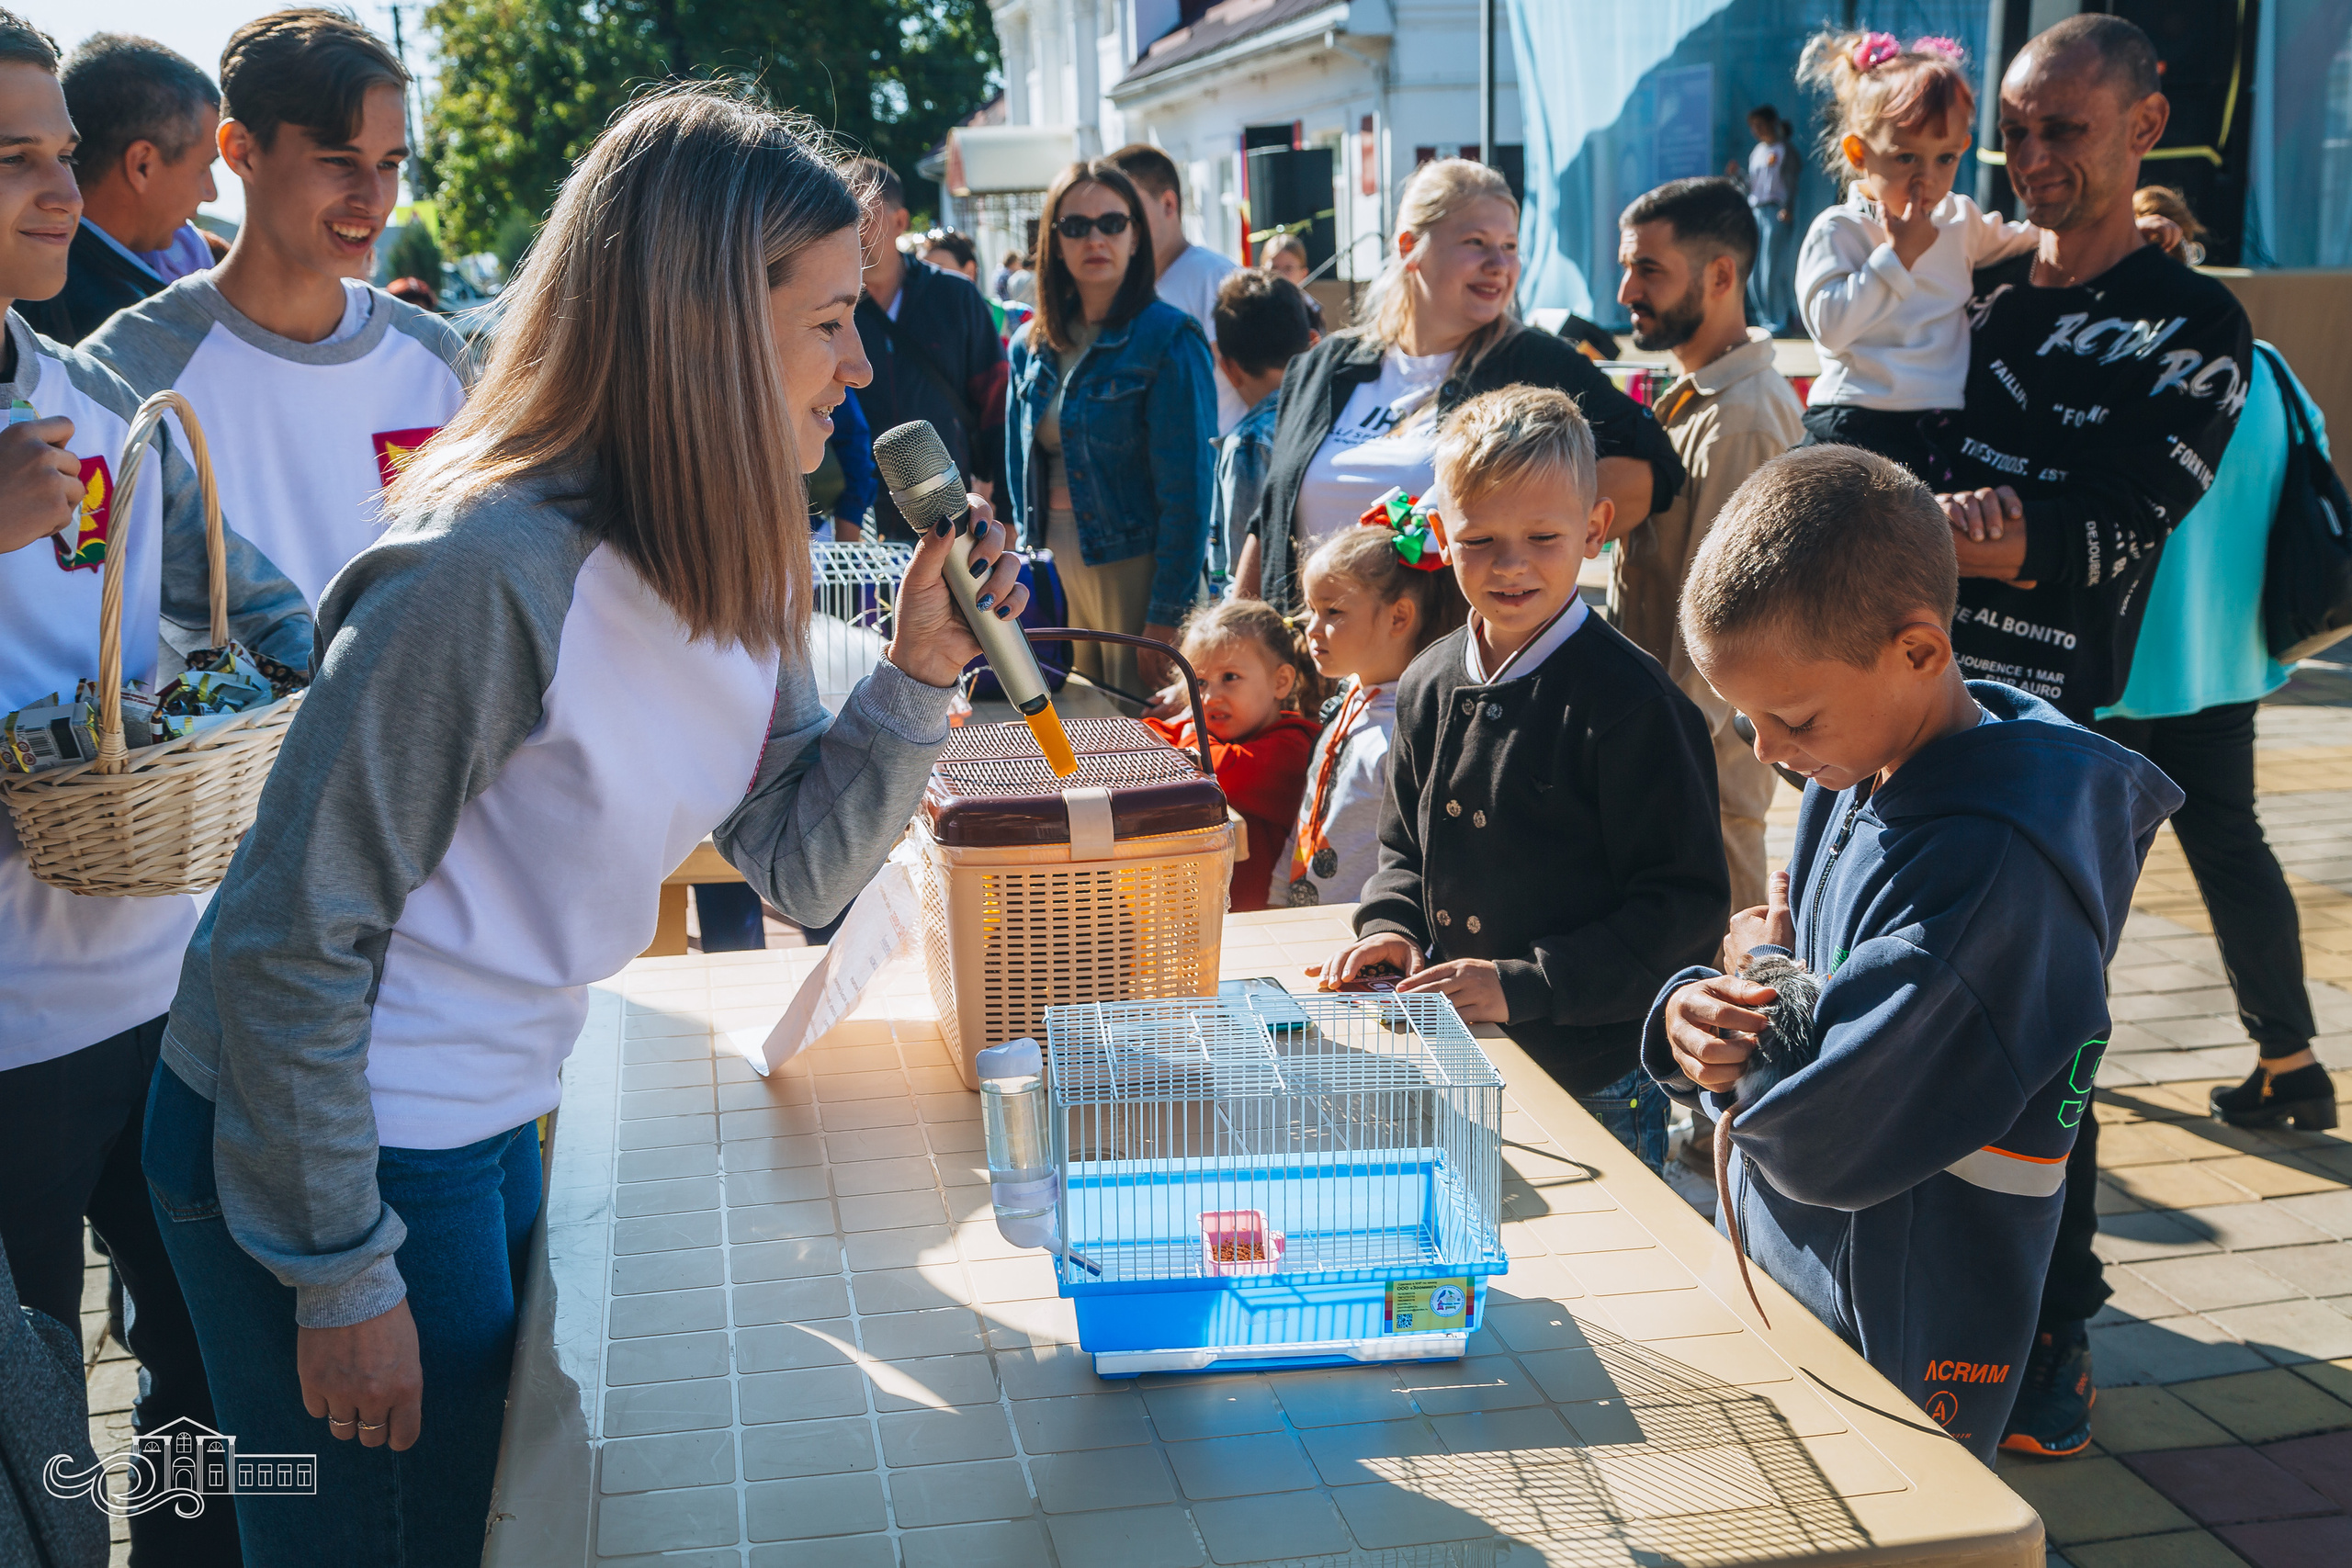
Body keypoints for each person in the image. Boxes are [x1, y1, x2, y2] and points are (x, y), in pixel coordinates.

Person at [140, 85, 1029, 1563]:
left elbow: (803, 863)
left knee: (482, 1504)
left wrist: (925, 670)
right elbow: (287, 931)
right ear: (700, 326)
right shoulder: (485, 572)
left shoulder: (728, 551)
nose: (860, 361)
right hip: (322, 1143)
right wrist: (343, 1272)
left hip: (472, 1105)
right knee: (392, 1537)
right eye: (823, 319)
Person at [1647, 445, 2181, 1462]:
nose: (1765, 752)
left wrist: (1755, 980)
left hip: (1900, 1333)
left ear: (1921, 652)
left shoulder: (1992, 877)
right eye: (1745, 719)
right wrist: (1694, 1010)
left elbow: (1828, 1133)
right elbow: (1803, 983)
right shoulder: (1862, 761)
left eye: (1789, 718)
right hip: (1811, 1280)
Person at [0, 16, 312, 1565]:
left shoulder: (89, 395)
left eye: (62, 152)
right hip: (2, 1036)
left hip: (153, 987)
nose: (61, 191)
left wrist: (346, 692)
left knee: (198, 1380)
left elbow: (247, 607)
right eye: (15, 161)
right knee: (31, 1416)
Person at [1928, 17, 2253, 1458]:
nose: (2036, 156)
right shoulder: (1969, 287)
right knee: (1906, 1000)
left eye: (2067, 127)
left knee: (2043, 1031)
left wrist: (1998, 545)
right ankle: (1921, 1294)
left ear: (2145, 125)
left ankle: (2058, 1321)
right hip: (1899, 693)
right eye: (2019, 125)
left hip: (2053, 722)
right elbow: (1876, 434)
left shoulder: (2198, 321)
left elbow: (2126, 524)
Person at [1320, 388, 1726, 1171]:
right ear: (1441, 534)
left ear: (1595, 530)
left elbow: (1684, 909)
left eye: (1543, 536)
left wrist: (1530, 982)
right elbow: (1404, 843)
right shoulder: (1430, 678)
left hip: (1595, 1074)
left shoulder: (1636, 707)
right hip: (1455, 1050)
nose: (1511, 565)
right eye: (1480, 540)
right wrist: (1391, 928)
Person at [83, 10, 471, 615]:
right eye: (338, 159)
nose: (373, 198)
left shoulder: (438, 360)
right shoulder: (123, 373)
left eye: (390, 164)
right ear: (241, 150)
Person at [2093, 210, 2326, 1132]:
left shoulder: (2113, 369)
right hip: (2227, 665)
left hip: (2119, 672)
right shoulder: (2265, 368)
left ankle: (2050, 1061)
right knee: (2234, 852)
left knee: (2085, 876)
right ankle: (2290, 1057)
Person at [1237, 158, 1683, 615]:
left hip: (1447, 673)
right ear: (1410, 247)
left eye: (1509, 246)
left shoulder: (1537, 363)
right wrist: (1233, 639)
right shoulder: (1322, 367)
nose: (1499, 264)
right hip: (1307, 664)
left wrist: (1531, 536)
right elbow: (1269, 517)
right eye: (1476, 243)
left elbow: (1655, 469)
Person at [1614, 175, 1802, 915]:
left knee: (1734, 973)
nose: (1626, 288)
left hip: (1698, 768)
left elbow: (1728, 619)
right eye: (1627, 266)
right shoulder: (1703, 394)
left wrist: (1662, 754)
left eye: (1649, 270)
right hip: (1672, 753)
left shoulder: (1744, 418)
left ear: (1721, 275)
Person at [1002, 159, 1217, 699]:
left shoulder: (1169, 338)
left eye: (1112, 223)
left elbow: (1189, 494)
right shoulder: (1029, 347)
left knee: (1144, 747)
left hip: (1138, 577)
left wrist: (1167, 615)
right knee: (1070, 747)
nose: (1094, 238)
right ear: (1053, 240)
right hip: (1052, 578)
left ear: (1136, 234)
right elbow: (1015, 476)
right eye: (1075, 226)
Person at [1792, 32, 2037, 468]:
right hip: (1853, 419)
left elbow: (2031, 237)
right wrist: (1897, 257)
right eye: (1906, 158)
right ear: (1858, 153)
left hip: (1941, 424)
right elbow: (1830, 327)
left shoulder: (1960, 219)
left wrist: (2128, 224)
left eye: (1945, 159)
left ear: (1964, 149)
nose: (1927, 178)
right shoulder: (1840, 229)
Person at [1279, 516, 1466, 908]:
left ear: (1399, 617)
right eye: (1312, 610)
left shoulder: (1410, 727)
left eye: (1333, 612)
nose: (1312, 629)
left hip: (1362, 937)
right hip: (1302, 923)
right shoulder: (1351, 699)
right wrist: (1276, 897)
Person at [21, 34, 219, 344]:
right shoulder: (87, 321)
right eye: (204, 167)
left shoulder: (188, 258)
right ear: (142, 165)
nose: (211, 192)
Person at [848, 158, 1006, 534]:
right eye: (841, 219)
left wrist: (1007, 511)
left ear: (900, 221)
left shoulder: (954, 295)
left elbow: (998, 406)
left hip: (952, 514)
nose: (853, 232)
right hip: (861, 518)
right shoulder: (831, 309)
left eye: (862, 218)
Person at [1147, 600, 1321, 912]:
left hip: (1262, 919)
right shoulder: (1208, 735)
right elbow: (1142, 739)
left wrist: (1187, 731)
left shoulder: (1296, 746)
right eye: (1199, 682)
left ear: (1281, 681)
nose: (1210, 698)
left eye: (1230, 678)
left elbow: (1217, 772)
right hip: (1211, 911)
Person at [1108, 141, 1244, 432]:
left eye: (1129, 209)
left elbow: (1256, 388)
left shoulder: (1215, 277)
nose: (1120, 222)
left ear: (1169, 204)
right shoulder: (1118, 285)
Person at [1207, 268, 1313, 589]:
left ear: (1229, 368)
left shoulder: (1248, 444)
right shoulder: (1332, 416)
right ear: (1311, 344)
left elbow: (1244, 571)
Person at [1732, 105, 1796, 332]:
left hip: (1775, 210)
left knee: (1772, 268)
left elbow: (1790, 181)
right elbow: (1751, 186)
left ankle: (1778, 320)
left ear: (1771, 123)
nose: (1756, 130)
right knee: (1755, 270)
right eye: (1753, 126)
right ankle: (1763, 319)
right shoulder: (1757, 152)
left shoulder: (1784, 150)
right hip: (1756, 211)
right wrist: (1738, 175)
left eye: (1759, 125)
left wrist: (1788, 207)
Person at [1260, 231, 1325, 332]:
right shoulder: (1254, 307)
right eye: (1274, 268)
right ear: (1262, 271)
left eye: (1288, 268)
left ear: (1303, 274)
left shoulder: (1311, 310)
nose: (1280, 274)